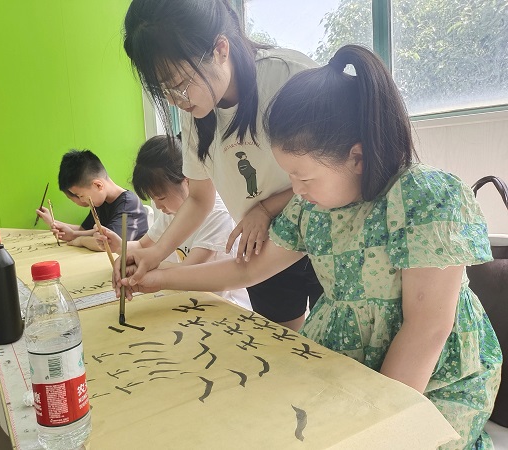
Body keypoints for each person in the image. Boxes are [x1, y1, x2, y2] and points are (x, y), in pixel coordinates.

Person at [119, 45, 502, 448]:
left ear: (357, 157)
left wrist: (378, 427)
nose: (295, 191)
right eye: (289, 177)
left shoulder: (426, 198)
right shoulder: (312, 208)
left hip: (429, 379)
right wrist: (159, 279)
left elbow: (427, 329)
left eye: (303, 178)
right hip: (348, 361)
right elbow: (247, 269)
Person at [119, 0, 323, 331]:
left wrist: (266, 209)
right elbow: (200, 197)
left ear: (220, 49)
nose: (175, 100)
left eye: (179, 83)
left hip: (325, 234)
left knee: (338, 344)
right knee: (283, 343)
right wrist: (153, 255)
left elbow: (331, 176)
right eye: (162, 90)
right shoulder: (196, 111)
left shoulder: (287, 77)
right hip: (259, 242)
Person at [95, 135, 251, 310]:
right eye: (153, 199)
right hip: (187, 300)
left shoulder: (218, 214)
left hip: (223, 305)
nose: (158, 206)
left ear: (187, 181)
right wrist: (120, 246)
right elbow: (142, 246)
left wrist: (141, 263)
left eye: (161, 197)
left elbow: (187, 270)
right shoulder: (172, 211)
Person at [36, 149, 148, 248]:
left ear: (98, 185)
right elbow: (85, 230)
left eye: (81, 196)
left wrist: (80, 240)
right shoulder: (100, 201)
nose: (82, 200)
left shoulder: (128, 205)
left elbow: (106, 244)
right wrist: (72, 234)